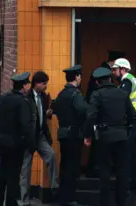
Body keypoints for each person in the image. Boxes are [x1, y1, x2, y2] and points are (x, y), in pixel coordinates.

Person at [83, 67, 136, 206]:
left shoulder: (96, 95)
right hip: (122, 138)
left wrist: (87, 135)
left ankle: (105, 202)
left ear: (97, 82)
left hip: (104, 138)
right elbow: (134, 117)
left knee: (105, 171)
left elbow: (91, 116)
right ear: (110, 79)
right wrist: (129, 134)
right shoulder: (122, 93)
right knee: (122, 171)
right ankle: (121, 201)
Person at [0, 72, 36, 206]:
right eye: (27, 83)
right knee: (13, 173)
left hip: (2, 140)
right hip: (16, 142)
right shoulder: (23, 101)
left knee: (2, 171)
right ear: (24, 86)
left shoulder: (4, 98)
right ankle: (11, 202)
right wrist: (31, 143)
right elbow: (25, 124)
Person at [53, 65, 90, 206]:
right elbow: (83, 111)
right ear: (77, 77)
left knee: (64, 165)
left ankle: (63, 196)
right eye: (80, 76)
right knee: (73, 166)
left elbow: (55, 108)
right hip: (74, 134)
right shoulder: (76, 94)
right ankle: (70, 198)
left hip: (63, 133)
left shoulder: (61, 93)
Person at [84, 50, 125, 177]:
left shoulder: (101, 71)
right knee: (100, 148)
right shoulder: (104, 73)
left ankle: (95, 170)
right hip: (102, 114)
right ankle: (94, 170)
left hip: (99, 113)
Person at [20, 71, 59, 206]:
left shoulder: (43, 96)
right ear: (36, 83)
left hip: (41, 135)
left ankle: (54, 185)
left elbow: (40, 114)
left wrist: (47, 114)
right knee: (26, 168)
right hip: (30, 137)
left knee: (51, 155)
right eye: (44, 83)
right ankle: (25, 199)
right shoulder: (27, 97)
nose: (46, 86)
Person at [112, 58, 136, 192]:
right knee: (134, 153)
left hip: (133, 120)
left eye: (115, 69)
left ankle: (129, 183)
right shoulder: (132, 80)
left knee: (128, 152)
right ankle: (135, 183)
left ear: (123, 69)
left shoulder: (127, 81)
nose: (113, 72)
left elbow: (122, 98)